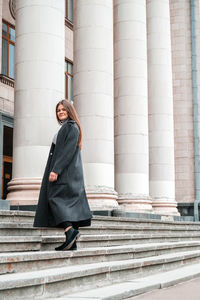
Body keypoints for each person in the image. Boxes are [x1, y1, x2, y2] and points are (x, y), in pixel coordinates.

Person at [34, 99, 92, 251]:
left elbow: (67, 152)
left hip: (65, 173)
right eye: (58, 110)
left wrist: (56, 170)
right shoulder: (69, 127)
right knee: (70, 205)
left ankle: (70, 231)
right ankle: (71, 243)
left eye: (63, 109)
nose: (60, 112)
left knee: (54, 198)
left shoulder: (71, 127)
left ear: (69, 110)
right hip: (68, 172)